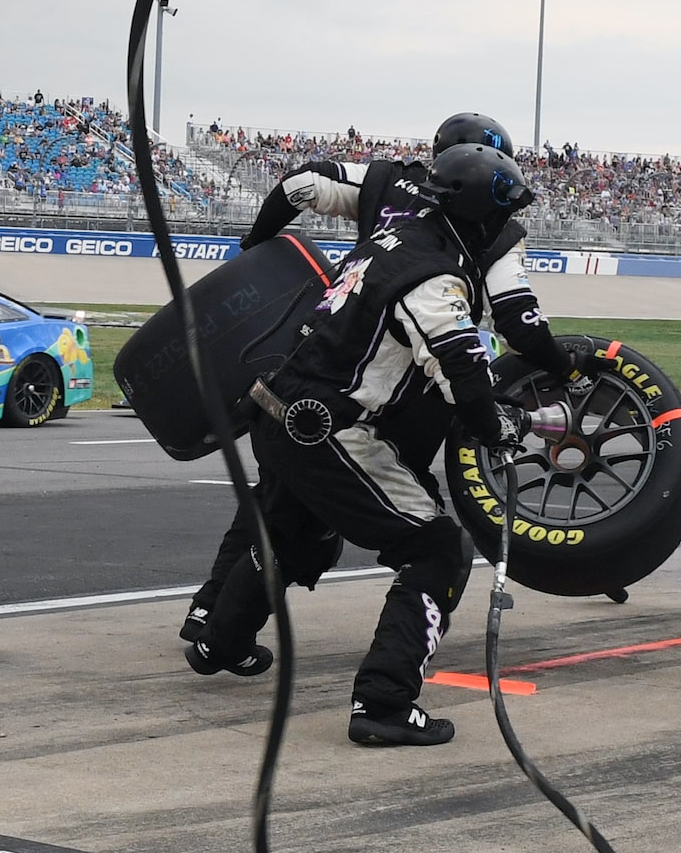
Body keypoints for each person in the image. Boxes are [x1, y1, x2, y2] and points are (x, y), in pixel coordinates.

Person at [186, 141, 584, 747]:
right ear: (485, 215)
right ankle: (384, 701)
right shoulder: (436, 274)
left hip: (279, 405)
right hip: (328, 426)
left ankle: (221, 638)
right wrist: (496, 424)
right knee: (437, 548)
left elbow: (302, 188)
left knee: (293, 534)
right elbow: (461, 370)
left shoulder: (395, 237)